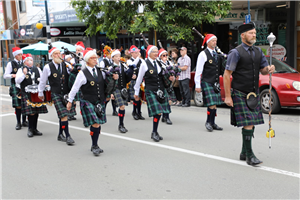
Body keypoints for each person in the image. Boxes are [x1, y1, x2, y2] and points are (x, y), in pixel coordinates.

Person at [223, 22, 275, 166]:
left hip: (253, 92)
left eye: (255, 33)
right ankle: (250, 155)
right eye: (251, 33)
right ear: (243, 35)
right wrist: (228, 96)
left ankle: (244, 152)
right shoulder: (236, 52)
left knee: (250, 124)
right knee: (249, 123)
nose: (254, 35)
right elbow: (227, 74)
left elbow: (263, 70)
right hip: (240, 92)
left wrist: (269, 68)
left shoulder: (258, 51)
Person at [67, 49, 118, 155]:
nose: (95, 60)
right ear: (87, 60)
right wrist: (70, 101)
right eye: (92, 58)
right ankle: (94, 145)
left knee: (97, 125)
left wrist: (114, 78)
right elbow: (75, 88)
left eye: (96, 58)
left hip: (99, 101)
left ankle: (95, 144)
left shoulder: (100, 71)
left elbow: (106, 85)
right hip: (87, 101)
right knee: (95, 123)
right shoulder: (82, 73)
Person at [134, 45, 174, 142]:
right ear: (149, 53)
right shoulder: (144, 64)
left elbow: (164, 76)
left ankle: (155, 132)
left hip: (160, 90)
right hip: (150, 90)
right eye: (154, 52)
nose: (156, 54)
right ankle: (154, 132)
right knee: (158, 112)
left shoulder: (160, 63)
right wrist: (136, 92)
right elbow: (139, 79)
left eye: (157, 52)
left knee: (160, 112)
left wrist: (171, 78)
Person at [38, 47, 75, 145]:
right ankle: (68, 136)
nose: (59, 55)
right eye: (56, 54)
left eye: (60, 53)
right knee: (64, 114)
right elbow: (43, 81)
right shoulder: (47, 67)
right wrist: (40, 93)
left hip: (66, 93)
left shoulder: (66, 65)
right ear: (52, 56)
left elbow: (72, 76)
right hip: (55, 93)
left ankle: (60, 134)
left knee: (62, 115)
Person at [194, 34, 224, 132]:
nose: (215, 42)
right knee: (211, 104)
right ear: (208, 42)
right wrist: (197, 85)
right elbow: (198, 71)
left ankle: (213, 123)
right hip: (207, 81)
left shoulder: (217, 54)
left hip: (215, 82)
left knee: (214, 104)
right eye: (213, 41)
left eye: (216, 41)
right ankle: (208, 122)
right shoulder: (203, 54)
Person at [15, 53, 48, 137]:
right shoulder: (21, 70)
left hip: (36, 92)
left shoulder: (37, 69)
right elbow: (17, 81)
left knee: (36, 112)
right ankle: (30, 129)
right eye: (28, 60)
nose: (30, 62)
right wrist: (24, 74)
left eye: (31, 60)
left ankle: (35, 129)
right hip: (26, 93)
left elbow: (42, 78)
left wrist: (43, 83)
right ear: (24, 62)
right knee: (31, 112)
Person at [3, 47, 28, 130]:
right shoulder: (11, 64)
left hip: (24, 86)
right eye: (19, 55)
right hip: (15, 85)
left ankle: (24, 121)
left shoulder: (24, 63)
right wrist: (12, 75)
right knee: (18, 106)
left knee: (25, 103)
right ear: (15, 55)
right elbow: (5, 75)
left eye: (21, 54)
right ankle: (18, 122)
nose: (21, 56)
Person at [111, 49, 134, 133]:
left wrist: (131, 71)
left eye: (119, 56)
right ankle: (121, 124)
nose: (118, 58)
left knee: (122, 107)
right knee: (122, 106)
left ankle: (121, 124)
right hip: (115, 88)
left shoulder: (123, 65)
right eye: (116, 56)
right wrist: (110, 93)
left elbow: (127, 79)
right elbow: (109, 81)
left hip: (123, 88)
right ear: (112, 58)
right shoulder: (110, 67)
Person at [127, 45, 145, 120]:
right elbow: (133, 64)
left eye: (137, 52)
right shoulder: (129, 60)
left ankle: (139, 112)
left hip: (140, 81)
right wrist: (138, 57)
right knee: (135, 97)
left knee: (140, 98)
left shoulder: (141, 61)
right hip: (133, 81)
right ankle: (134, 111)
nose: (136, 54)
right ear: (131, 53)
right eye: (135, 53)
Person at [157, 48, 174, 125]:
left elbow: (173, 72)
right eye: (163, 55)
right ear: (160, 56)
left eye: (166, 55)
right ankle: (166, 117)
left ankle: (165, 116)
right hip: (161, 84)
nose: (165, 56)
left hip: (168, 84)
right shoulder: (158, 63)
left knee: (169, 101)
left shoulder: (169, 63)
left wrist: (172, 76)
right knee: (165, 100)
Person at [100, 45, 118, 116]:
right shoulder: (103, 61)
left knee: (113, 97)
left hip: (112, 80)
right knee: (107, 98)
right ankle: (103, 110)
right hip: (106, 80)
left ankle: (114, 110)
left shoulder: (111, 61)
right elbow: (101, 71)